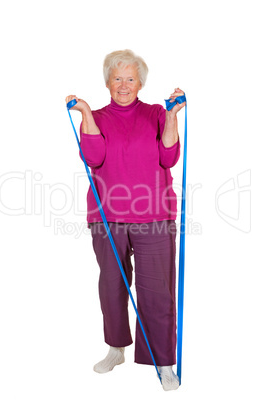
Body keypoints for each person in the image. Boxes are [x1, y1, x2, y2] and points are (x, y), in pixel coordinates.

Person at [65, 49, 186, 391]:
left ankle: (163, 362)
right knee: (112, 287)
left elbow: (169, 157)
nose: (123, 84)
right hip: (107, 216)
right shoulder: (99, 116)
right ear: (107, 82)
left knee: (157, 293)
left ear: (140, 83)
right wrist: (86, 113)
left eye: (130, 78)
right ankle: (116, 348)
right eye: (117, 78)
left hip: (155, 215)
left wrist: (173, 116)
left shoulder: (156, 114)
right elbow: (94, 156)